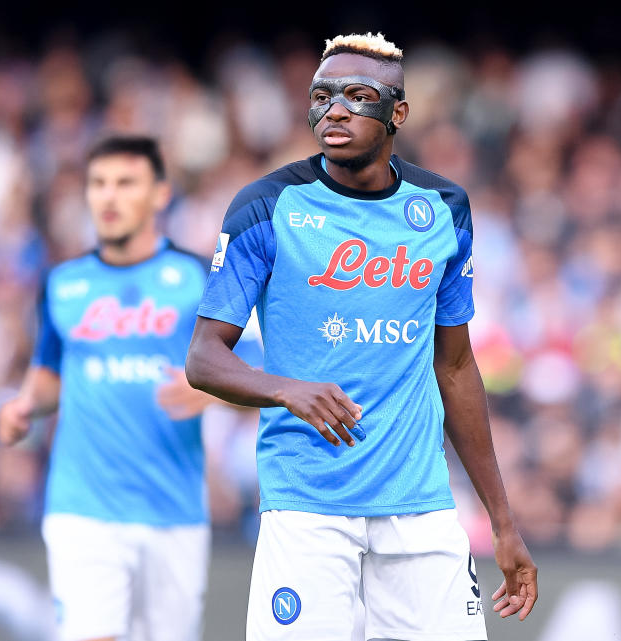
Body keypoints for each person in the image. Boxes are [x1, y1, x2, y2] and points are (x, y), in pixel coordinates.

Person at [185, 32, 537, 641]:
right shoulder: (266, 207)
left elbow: (454, 367)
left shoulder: (445, 208)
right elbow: (203, 358)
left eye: (357, 95)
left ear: (397, 113)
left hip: (420, 504)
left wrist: (502, 523)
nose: (336, 110)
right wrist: (286, 389)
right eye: (322, 96)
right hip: (306, 506)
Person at [0, 135, 246, 641]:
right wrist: (24, 406)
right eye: (98, 184)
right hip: (84, 507)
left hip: (172, 508)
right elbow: (49, 376)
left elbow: (260, 378)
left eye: (125, 183)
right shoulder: (62, 283)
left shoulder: (198, 278)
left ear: (159, 195)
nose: (108, 197)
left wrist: (212, 390)